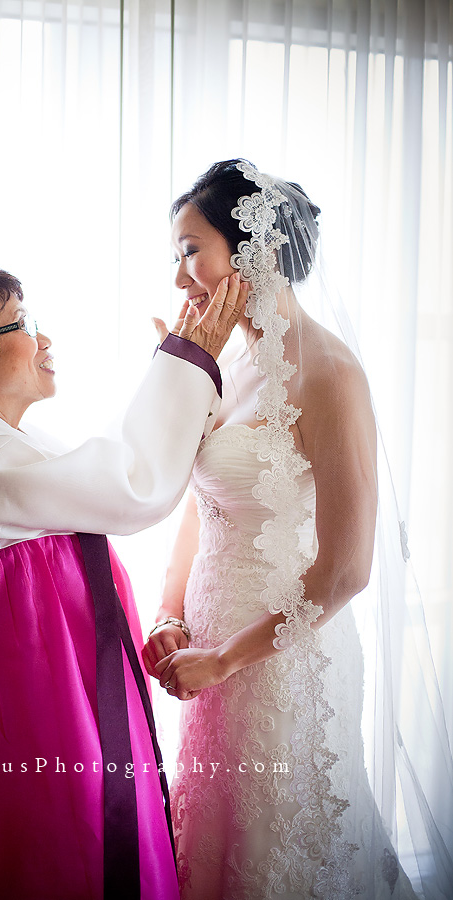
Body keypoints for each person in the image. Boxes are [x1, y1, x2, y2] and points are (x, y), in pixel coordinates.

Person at [0, 250, 248, 900]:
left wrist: (178, 370)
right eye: (21, 324)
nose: (45, 339)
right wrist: (186, 363)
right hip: (21, 701)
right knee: (50, 849)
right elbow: (130, 489)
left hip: (39, 686)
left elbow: (100, 466)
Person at [143, 160, 453, 899]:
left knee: (282, 848)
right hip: (209, 647)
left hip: (279, 657)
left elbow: (346, 569)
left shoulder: (330, 374)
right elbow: (202, 499)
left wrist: (225, 660)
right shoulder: (231, 362)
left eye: (192, 250)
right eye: (176, 257)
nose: (181, 276)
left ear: (252, 247)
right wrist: (169, 610)